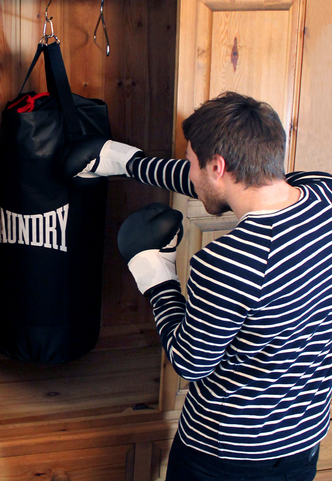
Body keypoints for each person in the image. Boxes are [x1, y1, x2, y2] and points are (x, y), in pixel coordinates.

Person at [64, 91, 332, 481]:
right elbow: (229, 184)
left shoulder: (231, 261)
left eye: (191, 163)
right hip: (302, 441)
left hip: (224, 454)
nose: (187, 171)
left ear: (218, 166)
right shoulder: (323, 193)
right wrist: (128, 162)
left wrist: (156, 275)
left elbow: (190, 360)